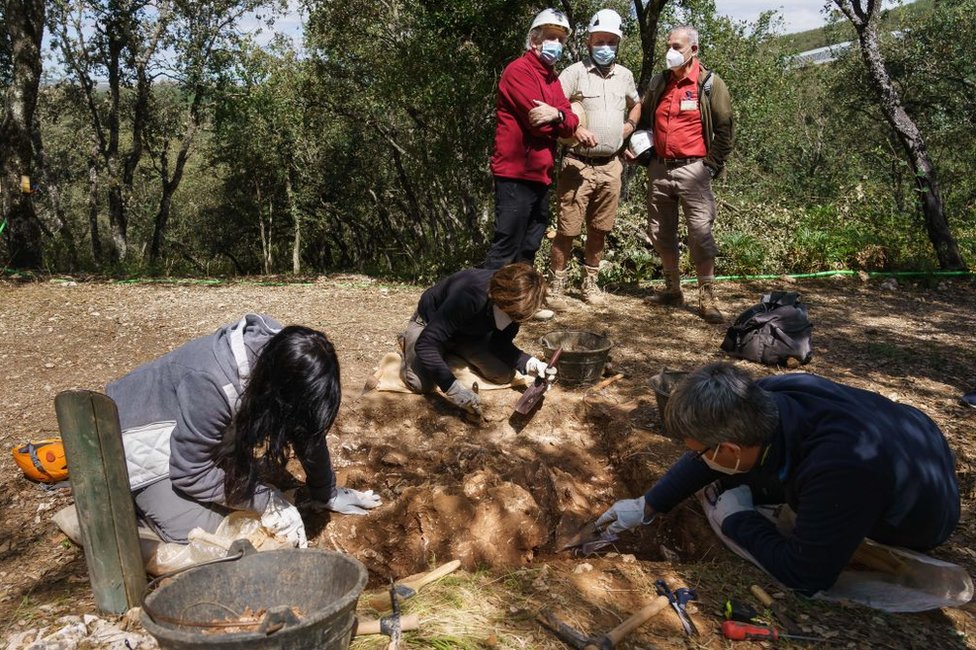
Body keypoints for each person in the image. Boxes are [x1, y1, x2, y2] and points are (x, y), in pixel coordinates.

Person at [595, 363, 960, 596]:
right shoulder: (766, 396)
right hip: (905, 437)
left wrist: (738, 521)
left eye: (701, 452)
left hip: (919, 515)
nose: (697, 459)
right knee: (730, 481)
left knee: (746, 507)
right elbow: (710, 454)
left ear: (732, 449)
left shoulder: (839, 470)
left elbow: (806, 575)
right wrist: (648, 505)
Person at [107, 314, 381, 548]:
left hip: (190, 434)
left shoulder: (283, 357)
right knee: (223, 535)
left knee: (241, 506)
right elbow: (190, 471)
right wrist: (265, 500)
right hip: (138, 440)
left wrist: (326, 491)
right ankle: (138, 505)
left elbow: (305, 429)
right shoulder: (211, 383)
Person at [547, 9, 641, 309]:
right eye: (600, 41)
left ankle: (590, 285)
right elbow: (555, 108)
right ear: (589, 41)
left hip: (611, 165)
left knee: (600, 229)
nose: (605, 47)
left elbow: (636, 104)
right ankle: (556, 288)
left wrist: (629, 126)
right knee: (568, 230)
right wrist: (576, 128)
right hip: (577, 164)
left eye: (611, 42)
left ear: (618, 43)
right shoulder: (573, 73)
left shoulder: (624, 75)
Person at [640, 25, 733, 323]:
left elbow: (725, 128)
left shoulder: (709, 83)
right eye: (669, 45)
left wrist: (710, 165)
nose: (671, 52)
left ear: (693, 49)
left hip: (694, 169)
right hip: (660, 168)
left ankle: (707, 296)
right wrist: (643, 151)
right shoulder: (659, 83)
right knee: (659, 231)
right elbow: (643, 117)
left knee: (700, 233)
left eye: (677, 47)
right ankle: (672, 289)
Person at [483, 8, 580, 272]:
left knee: (529, 245)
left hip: (540, 174)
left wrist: (558, 115)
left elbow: (571, 124)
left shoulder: (552, 79)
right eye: (552, 37)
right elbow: (538, 126)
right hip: (515, 175)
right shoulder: (518, 71)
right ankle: (483, 307)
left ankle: (517, 307)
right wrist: (561, 121)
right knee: (506, 245)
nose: (557, 45)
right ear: (534, 40)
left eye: (561, 40)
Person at [399, 263, 555, 416]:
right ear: (498, 299)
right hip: (428, 324)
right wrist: (454, 389)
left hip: (467, 335)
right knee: (420, 384)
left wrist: (530, 363)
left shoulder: (517, 306)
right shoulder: (469, 294)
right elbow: (427, 343)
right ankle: (408, 341)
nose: (512, 321)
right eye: (510, 315)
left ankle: (449, 352)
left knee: (503, 375)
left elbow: (500, 344)